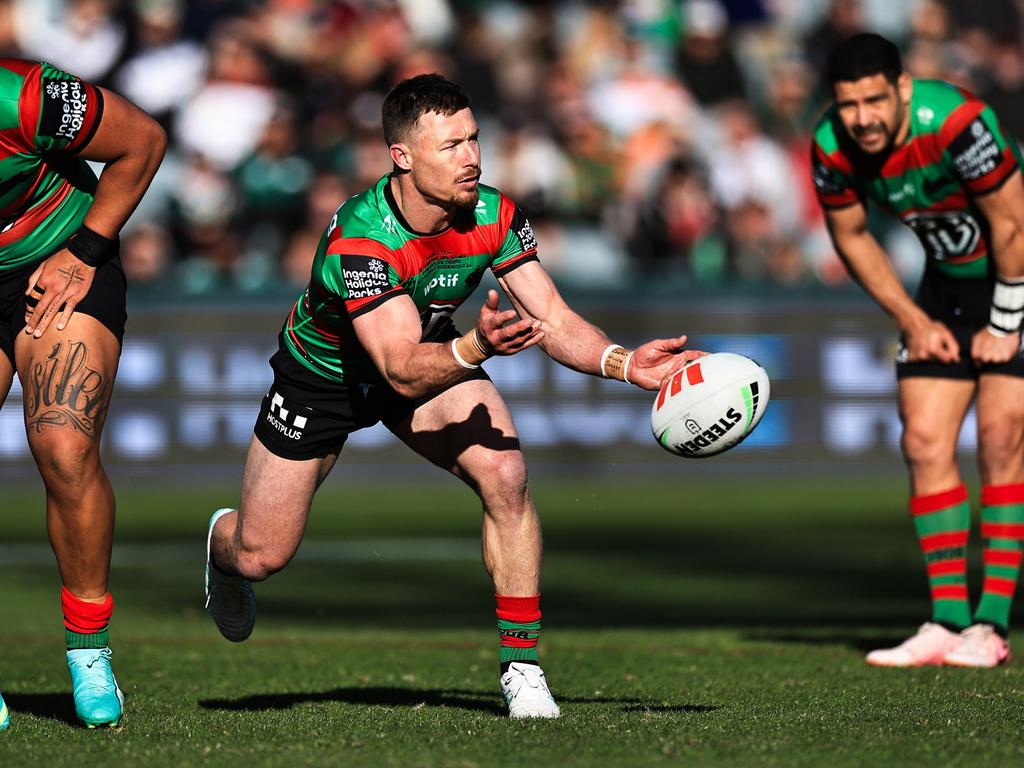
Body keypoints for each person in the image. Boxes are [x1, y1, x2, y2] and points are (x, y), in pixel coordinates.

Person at [204, 74, 704, 718]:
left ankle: (521, 665)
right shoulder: (362, 240)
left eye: (473, 139)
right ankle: (223, 546)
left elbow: (551, 316)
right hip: (325, 380)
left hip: (432, 355)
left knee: (506, 474)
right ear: (402, 157)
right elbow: (398, 369)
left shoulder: (494, 213)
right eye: (450, 146)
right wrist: (477, 348)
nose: (470, 157)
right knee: (261, 554)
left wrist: (624, 361)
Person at [811, 33, 1024, 668]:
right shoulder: (831, 146)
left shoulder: (959, 123)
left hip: (1014, 282)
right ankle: (946, 620)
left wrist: (1006, 319)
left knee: (999, 439)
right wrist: (909, 316)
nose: (862, 119)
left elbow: (1013, 223)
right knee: (924, 442)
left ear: (902, 88)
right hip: (942, 293)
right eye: (848, 105)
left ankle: (989, 626)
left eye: (875, 100)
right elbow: (850, 237)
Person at [0, 59, 166, 727]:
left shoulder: (25, 97)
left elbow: (143, 140)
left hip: (59, 258)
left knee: (63, 445)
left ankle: (88, 652)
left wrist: (87, 250)